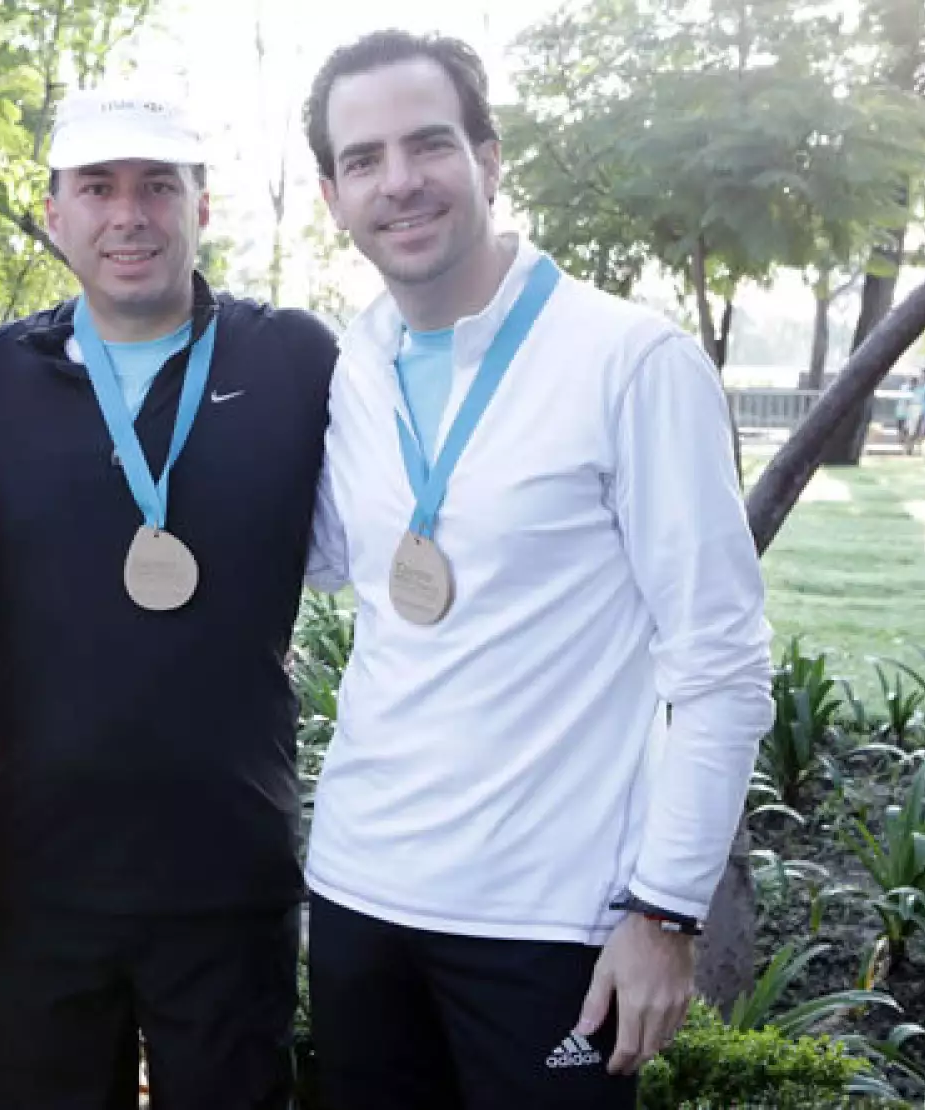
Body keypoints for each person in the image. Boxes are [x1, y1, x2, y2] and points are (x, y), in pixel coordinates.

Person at [299, 31, 774, 1109]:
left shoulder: (631, 361)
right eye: (363, 159)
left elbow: (721, 664)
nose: (399, 181)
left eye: (428, 144)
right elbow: (328, 561)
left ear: (488, 159)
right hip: (359, 897)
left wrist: (665, 912)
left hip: (550, 921)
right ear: (332, 197)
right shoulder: (352, 366)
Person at [0, 86, 338, 1110]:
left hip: (227, 871)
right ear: (54, 213)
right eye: (98, 187)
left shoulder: (295, 361)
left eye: (158, 185)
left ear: (201, 206)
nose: (129, 215)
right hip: (44, 874)